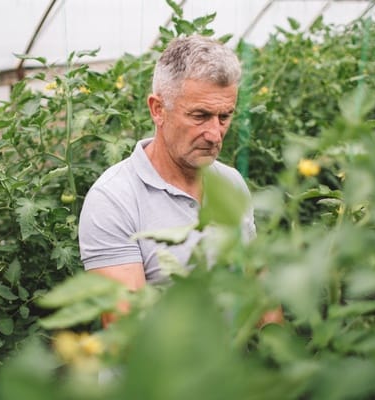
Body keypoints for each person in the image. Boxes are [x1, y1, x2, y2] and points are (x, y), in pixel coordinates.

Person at [78, 34, 281, 327]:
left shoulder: (231, 183)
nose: (215, 134)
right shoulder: (114, 199)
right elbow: (128, 332)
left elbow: (262, 297)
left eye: (225, 116)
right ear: (158, 109)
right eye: (200, 115)